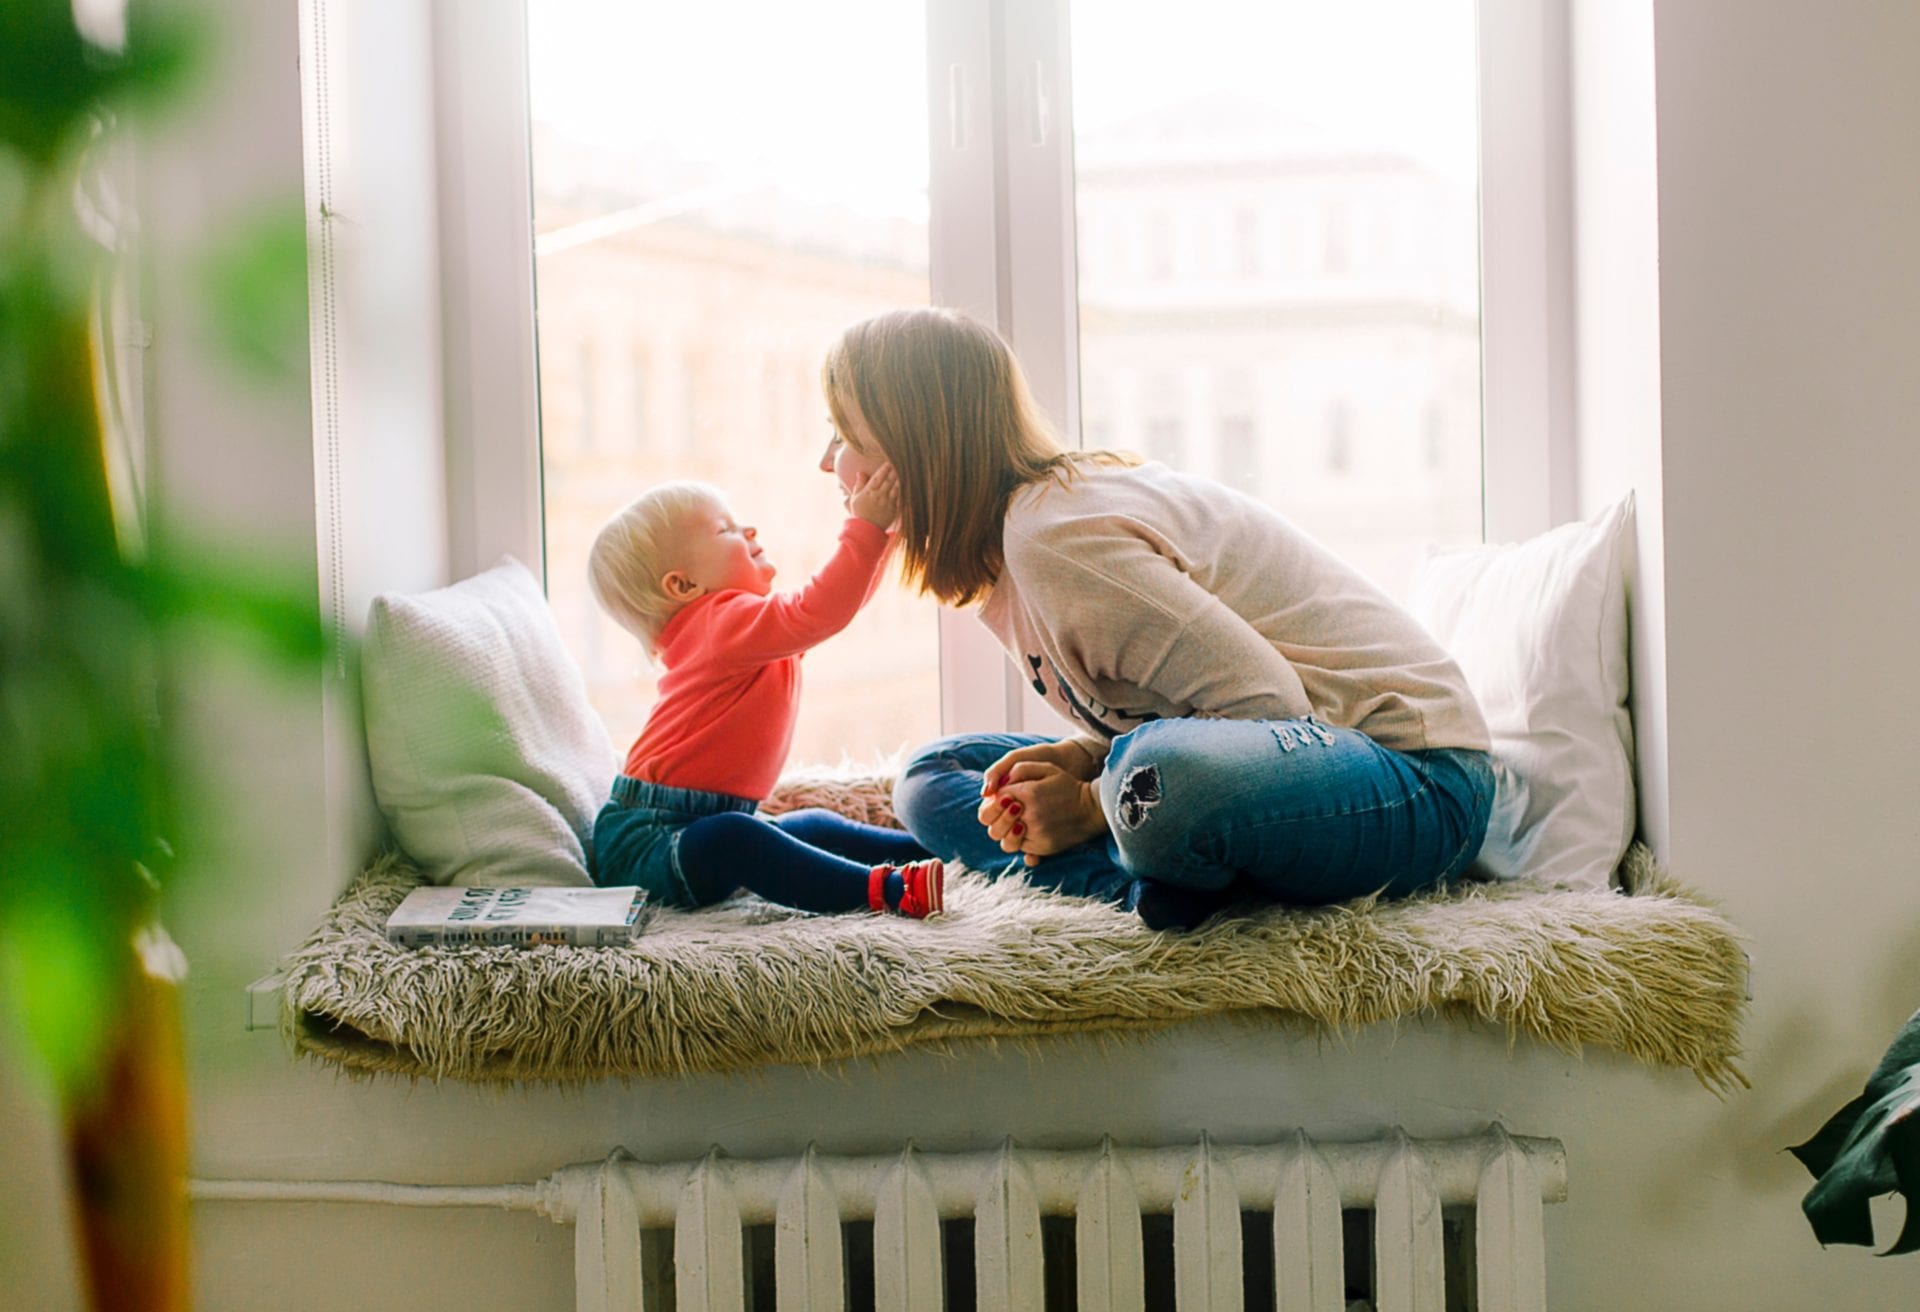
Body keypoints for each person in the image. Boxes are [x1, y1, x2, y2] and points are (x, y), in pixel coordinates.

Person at [817, 306, 1496, 929]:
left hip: (1417, 779)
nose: (828, 462)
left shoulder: (1054, 538)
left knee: (1157, 778)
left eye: (845, 434)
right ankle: (1152, 881)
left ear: (916, 448)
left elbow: (1271, 707)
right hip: (1282, 763)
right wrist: (1089, 761)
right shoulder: (1013, 549)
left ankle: (1145, 864)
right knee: (935, 774)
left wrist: (1087, 803)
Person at [587, 473, 944, 918]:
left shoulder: (739, 630)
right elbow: (822, 608)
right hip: (648, 843)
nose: (749, 530)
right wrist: (867, 529)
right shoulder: (719, 624)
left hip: (695, 823)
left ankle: (937, 850)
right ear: (683, 586)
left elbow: (835, 609)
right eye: (725, 530)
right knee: (738, 839)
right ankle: (886, 891)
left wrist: (886, 536)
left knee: (811, 826)